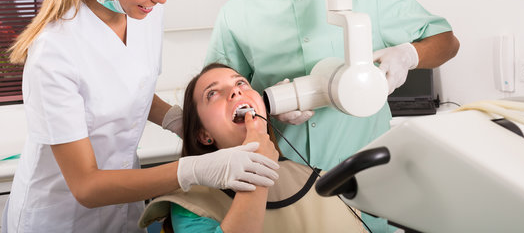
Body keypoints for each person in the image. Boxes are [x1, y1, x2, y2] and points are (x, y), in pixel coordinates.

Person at [3, 0, 278, 233]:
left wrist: (177, 119)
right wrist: (191, 170)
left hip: (124, 207)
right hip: (62, 216)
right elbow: (86, 187)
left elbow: (132, 84)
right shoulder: (55, 53)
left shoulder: (143, 10)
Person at [204, 0, 460, 231]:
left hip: (369, 186)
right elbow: (217, 106)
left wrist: (407, 55)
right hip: (285, 193)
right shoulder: (236, 14)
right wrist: (266, 112)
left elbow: (446, 41)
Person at [138, 63, 368, 233]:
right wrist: (258, 168)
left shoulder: (326, 185)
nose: (236, 91)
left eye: (241, 83)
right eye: (212, 93)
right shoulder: (191, 206)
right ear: (204, 135)